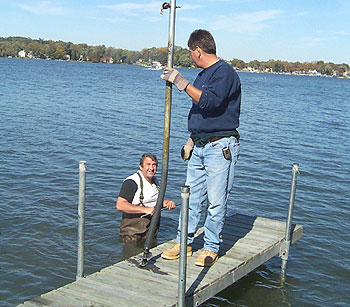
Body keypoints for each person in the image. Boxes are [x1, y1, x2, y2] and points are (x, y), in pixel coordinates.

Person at [160, 29, 241, 266]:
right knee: (191, 198)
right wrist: (191, 140)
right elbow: (200, 111)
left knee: (216, 201)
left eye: (191, 52)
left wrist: (180, 82)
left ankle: (211, 247)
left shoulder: (225, 73)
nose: (191, 57)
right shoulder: (204, 74)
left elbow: (209, 101)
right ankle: (183, 242)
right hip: (199, 146)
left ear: (198, 50)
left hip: (220, 147)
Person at [116, 153, 176, 242]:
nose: (151, 168)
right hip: (132, 234)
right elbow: (120, 205)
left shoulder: (155, 181)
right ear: (141, 167)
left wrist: (165, 203)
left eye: (154, 165)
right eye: (148, 165)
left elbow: (152, 201)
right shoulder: (131, 182)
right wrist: (146, 210)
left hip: (151, 231)